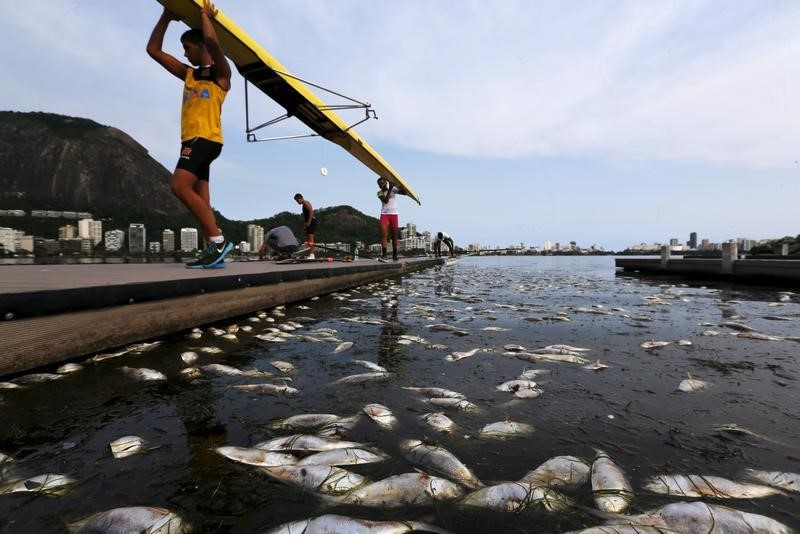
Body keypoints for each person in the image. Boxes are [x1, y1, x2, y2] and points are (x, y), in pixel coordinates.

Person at [147, 0, 233, 269]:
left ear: (200, 46)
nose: (184, 54)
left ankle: (218, 242)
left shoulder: (222, 76)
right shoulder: (189, 75)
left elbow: (213, 43)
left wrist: (205, 16)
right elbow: (153, 50)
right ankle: (214, 252)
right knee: (202, 200)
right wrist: (165, 16)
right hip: (193, 141)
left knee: (178, 186)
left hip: (205, 140)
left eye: (187, 47)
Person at [376, 177, 407, 262]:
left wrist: (401, 186)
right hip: (384, 215)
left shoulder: (393, 189)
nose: (381, 185)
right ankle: (384, 255)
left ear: (386, 182)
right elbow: (386, 201)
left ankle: (395, 255)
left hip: (394, 215)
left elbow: (405, 193)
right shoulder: (379, 193)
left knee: (394, 236)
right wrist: (390, 189)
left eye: (382, 183)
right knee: (384, 234)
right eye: (379, 184)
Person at [293, 193, 316, 259]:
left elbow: (311, 212)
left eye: (297, 201)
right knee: (309, 239)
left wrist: (309, 222)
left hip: (311, 222)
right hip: (310, 222)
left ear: (300, 198)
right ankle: (311, 254)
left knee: (311, 239)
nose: (297, 203)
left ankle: (312, 255)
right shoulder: (305, 203)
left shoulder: (305, 203)